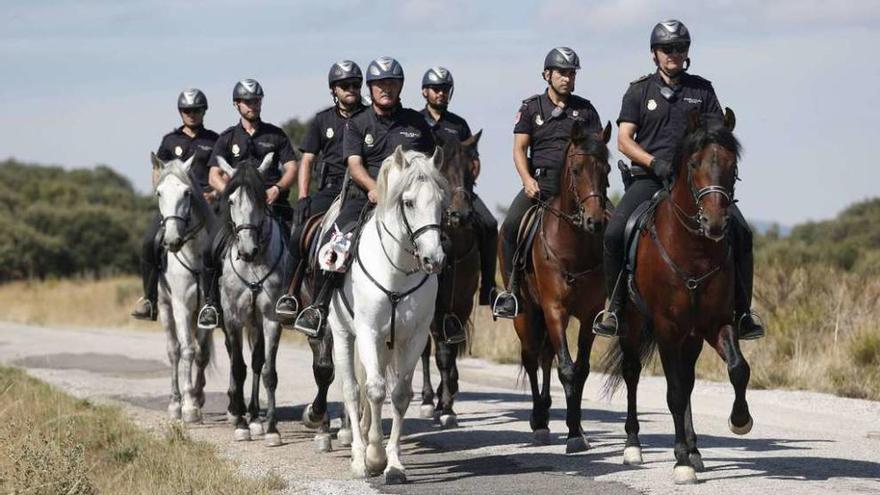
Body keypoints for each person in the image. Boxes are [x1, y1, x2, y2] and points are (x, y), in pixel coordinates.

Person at [592, 20, 765, 340]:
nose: (674, 54)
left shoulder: (702, 90)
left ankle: (742, 313)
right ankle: (614, 309)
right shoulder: (638, 91)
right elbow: (624, 140)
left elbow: (716, 137)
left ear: (687, 53)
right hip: (649, 178)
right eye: (666, 49)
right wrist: (654, 163)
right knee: (615, 231)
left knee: (741, 232)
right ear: (654, 54)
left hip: (695, 184)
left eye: (680, 48)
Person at [293, 56, 436, 337]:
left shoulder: (416, 122)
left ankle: (443, 315)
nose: (386, 89)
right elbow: (355, 164)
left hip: (409, 203)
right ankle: (319, 307)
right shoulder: (358, 123)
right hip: (364, 197)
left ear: (401, 87)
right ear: (370, 88)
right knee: (331, 245)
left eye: (392, 84)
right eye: (380, 84)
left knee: (440, 243)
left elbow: (431, 160)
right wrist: (376, 189)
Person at [493, 47, 603, 319]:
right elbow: (519, 149)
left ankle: (610, 298)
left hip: (580, 189)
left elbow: (597, 149)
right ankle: (511, 292)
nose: (567, 78)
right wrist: (527, 180)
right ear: (547, 74)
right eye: (562, 73)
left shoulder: (586, 109)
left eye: (572, 73)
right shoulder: (531, 107)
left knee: (612, 229)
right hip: (541, 184)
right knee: (508, 228)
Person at [196, 79, 299, 330]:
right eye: (247, 101)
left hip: (272, 205)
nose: (252, 105)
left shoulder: (276, 135)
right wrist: (232, 193)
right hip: (236, 212)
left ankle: (291, 299)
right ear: (236, 104)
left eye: (256, 100)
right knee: (210, 249)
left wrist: (277, 188)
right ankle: (211, 304)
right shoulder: (226, 138)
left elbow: (291, 168)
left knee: (298, 246)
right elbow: (213, 176)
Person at [274, 60, 367, 323]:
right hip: (330, 188)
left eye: (356, 85)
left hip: (360, 189)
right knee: (299, 234)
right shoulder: (321, 120)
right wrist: (303, 197)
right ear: (333, 89)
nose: (351, 89)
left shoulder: (369, 117)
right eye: (345, 85)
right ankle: (290, 294)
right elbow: (307, 161)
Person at [131, 88, 218, 320]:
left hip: (206, 205)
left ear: (204, 111)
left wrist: (214, 194)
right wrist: (162, 191)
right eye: (187, 110)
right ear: (181, 112)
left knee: (223, 243)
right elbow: (157, 170)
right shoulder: (170, 141)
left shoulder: (214, 140)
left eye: (196, 110)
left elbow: (220, 173)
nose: (192, 114)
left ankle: (219, 300)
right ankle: (150, 299)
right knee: (150, 241)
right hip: (175, 207)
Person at [420, 66, 498, 308]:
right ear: (425, 92)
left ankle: (488, 288)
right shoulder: (415, 121)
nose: (441, 94)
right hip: (427, 191)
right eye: (436, 89)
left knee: (490, 223)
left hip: (459, 190)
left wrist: (470, 176)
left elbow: (474, 160)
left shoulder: (459, 124)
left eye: (445, 90)